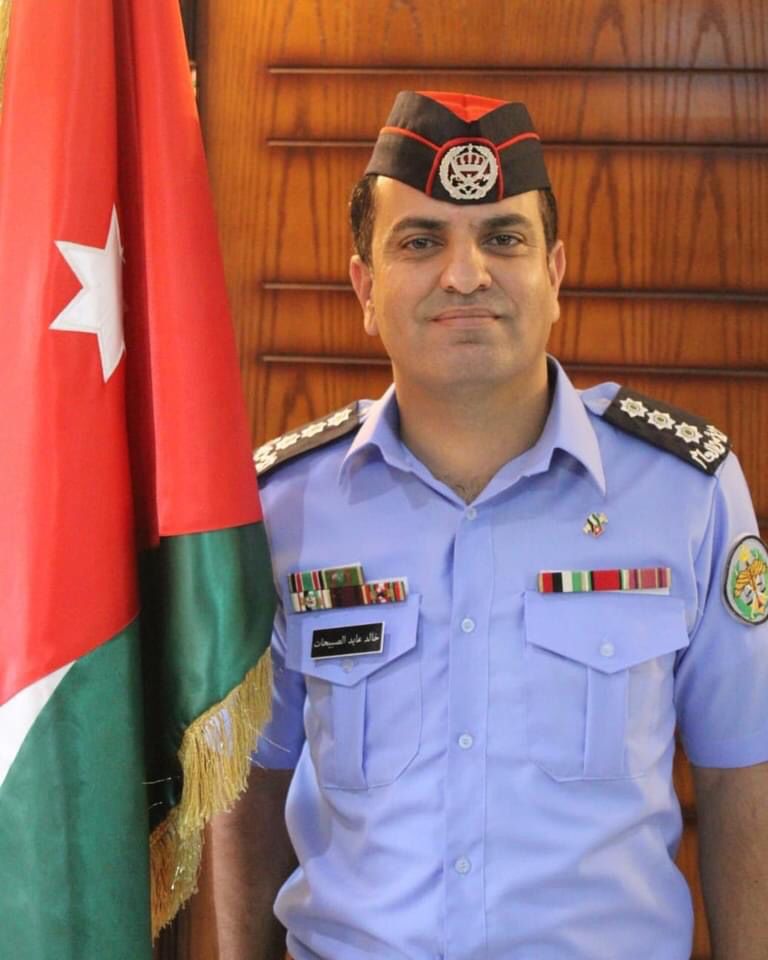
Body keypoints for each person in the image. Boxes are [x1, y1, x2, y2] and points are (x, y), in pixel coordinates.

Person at [213, 91, 768, 960]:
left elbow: (745, 779)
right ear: (365, 287)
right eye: (420, 242)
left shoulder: (687, 492)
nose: (465, 274)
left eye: (503, 238)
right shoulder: (285, 507)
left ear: (555, 274)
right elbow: (249, 783)